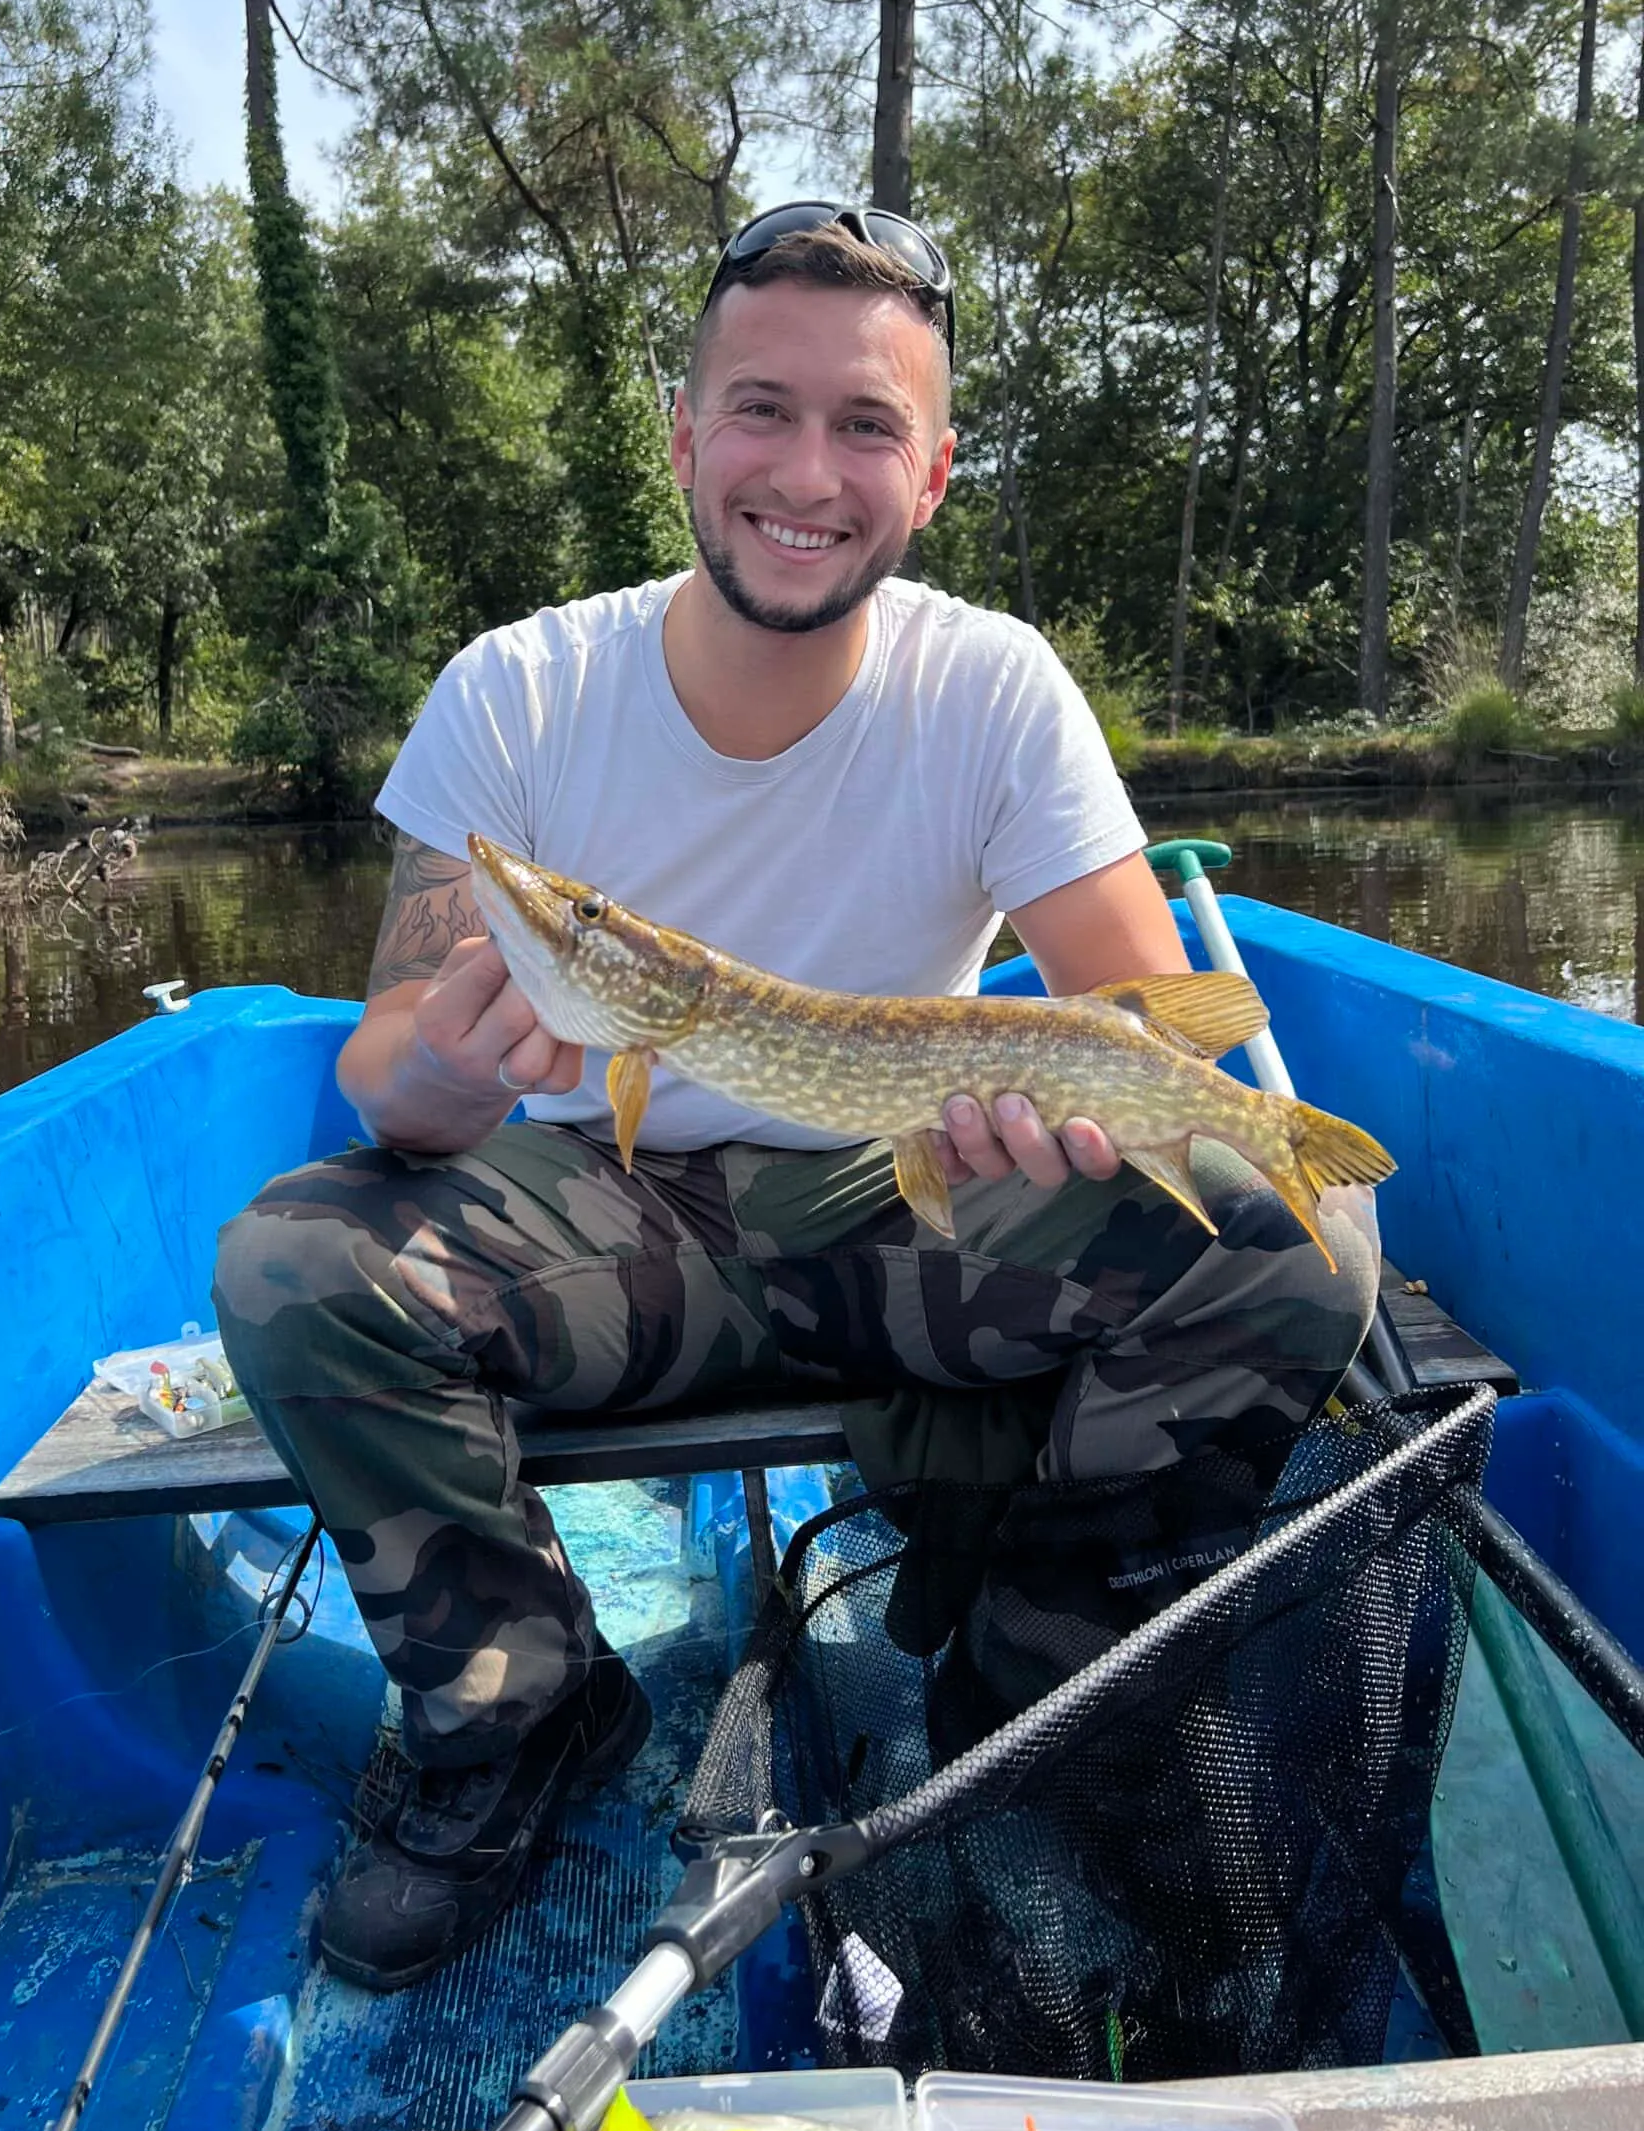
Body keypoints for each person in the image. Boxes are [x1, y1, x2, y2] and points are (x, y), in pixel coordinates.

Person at [213, 202, 1380, 1993]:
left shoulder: (992, 690)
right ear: (684, 437)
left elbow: (1168, 1045)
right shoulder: (518, 694)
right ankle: (520, 1711)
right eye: (761, 410)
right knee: (295, 1267)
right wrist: (445, 1063)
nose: (805, 471)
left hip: (895, 1201)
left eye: (867, 428)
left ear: (934, 473)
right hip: (617, 1225)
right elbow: (383, 1074)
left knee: (1298, 1242)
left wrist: (1061, 1120)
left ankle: (1038, 1665)